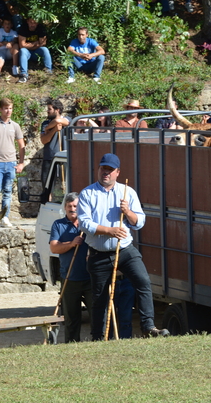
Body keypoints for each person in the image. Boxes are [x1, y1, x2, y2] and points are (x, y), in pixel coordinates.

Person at [77, 153, 170, 339]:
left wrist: (127, 212)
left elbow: (139, 222)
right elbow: (84, 223)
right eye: (103, 168)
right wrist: (109, 231)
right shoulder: (87, 193)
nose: (106, 173)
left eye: (110, 170)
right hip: (99, 254)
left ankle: (148, 327)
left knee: (143, 282)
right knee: (99, 299)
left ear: (117, 173)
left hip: (125, 250)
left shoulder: (128, 192)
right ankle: (98, 337)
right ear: (98, 169)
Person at [50, 192, 92, 342]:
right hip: (69, 277)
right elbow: (54, 248)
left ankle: (99, 344)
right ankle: (72, 346)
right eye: (70, 206)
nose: (73, 209)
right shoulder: (58, 225)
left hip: (90, 278)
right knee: (71, 319)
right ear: (65, 207)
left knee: (98, 315)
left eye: (76, 206)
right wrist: (72, 244)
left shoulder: (87, 223)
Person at [0, 98, 25, 226]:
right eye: (6, 108)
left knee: (8, 191)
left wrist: (21, 163)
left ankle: (5, 217)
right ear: (0, 109)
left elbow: (21, 145)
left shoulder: (15, 126)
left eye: (10, 108)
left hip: (11, 163)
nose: (8, 111)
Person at [40, 99, 71, 195]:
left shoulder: (67, 119)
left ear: (57, 110)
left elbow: (58, 120)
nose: (47, 111)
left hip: (64, 159)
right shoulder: (45, 123)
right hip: (49, 159)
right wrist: (53, 130)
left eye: (49, 109)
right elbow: (44, 140)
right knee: (47, 188)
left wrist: (48, 128)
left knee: (66, 187)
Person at [17, 17, 53, 83]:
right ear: (27, 21)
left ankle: (49, 70)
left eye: (35, 23)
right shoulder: (23, 28)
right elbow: (22, 45)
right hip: (26, 52)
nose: (33, 24)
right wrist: (35, 44)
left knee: (45, 49)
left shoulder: (40, 28)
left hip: (37, 51)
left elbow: (43, 43)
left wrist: (28, 45)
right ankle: (24, 74)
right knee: (22, 51)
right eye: (31, 22)